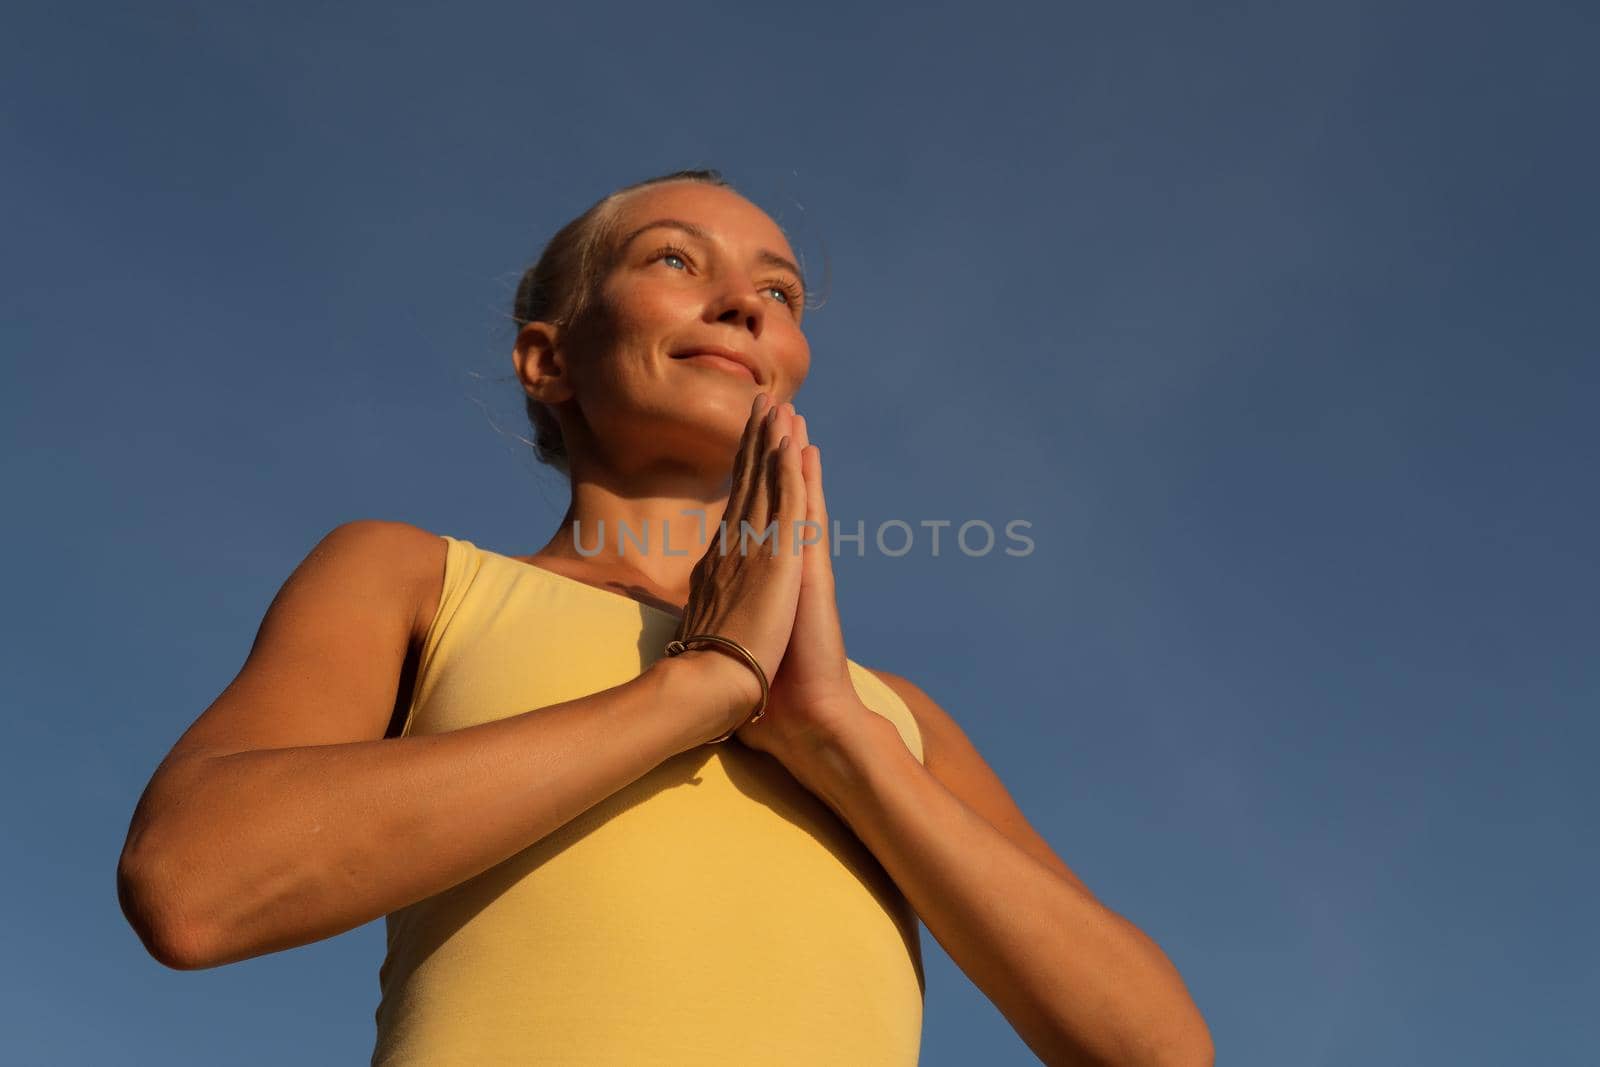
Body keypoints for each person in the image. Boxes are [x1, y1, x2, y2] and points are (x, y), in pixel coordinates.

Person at [115, 169, 1214, 1066]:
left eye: (778, 292)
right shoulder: (416, 577)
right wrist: (696, 686)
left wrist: (839, 740)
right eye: (675, 261)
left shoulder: (893, 716)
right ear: (548, 360)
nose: (744, 303)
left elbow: (1156, 1048)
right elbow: (195, 885)